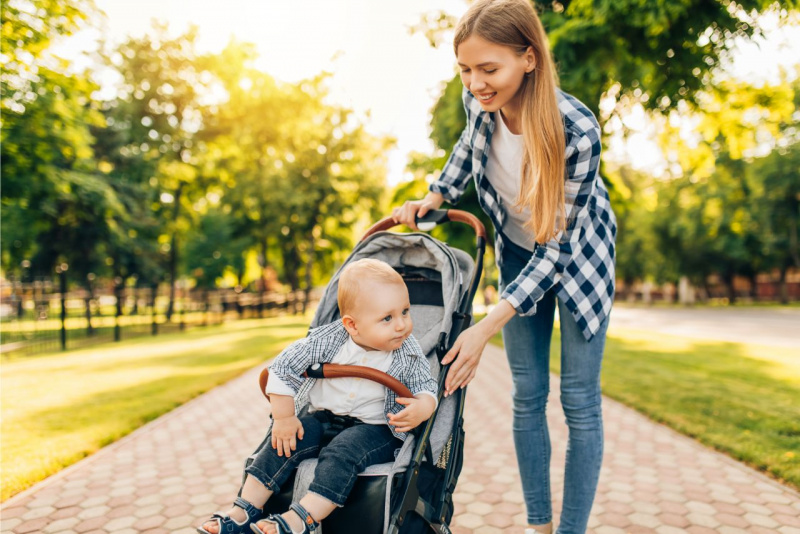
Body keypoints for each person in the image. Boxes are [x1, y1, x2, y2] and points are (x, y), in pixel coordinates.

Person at [392, 1, 616, 533]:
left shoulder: (576, 130)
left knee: (578, 400)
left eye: (489, 69)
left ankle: (571, 530)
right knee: (528, 395)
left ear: (529, 59)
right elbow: (466, 151)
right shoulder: (481, 107)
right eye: (466, 70)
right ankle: (539, 527)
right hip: (518, 251)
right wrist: (434, 195)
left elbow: (557, 249)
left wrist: (484, 326)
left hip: (579, 256)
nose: (475, 84)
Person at [196, 258, 438, 534]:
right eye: (388, 317)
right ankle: (243, 510)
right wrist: (284, 418)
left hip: (377, 428)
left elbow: (425, 385)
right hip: (324, 417)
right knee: (284, 440)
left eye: (405, 312)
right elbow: (282, 368)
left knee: (342, 451)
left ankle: (302, 518)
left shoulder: (407, 350)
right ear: (352, 325)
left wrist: (424, 406)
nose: (402, 325)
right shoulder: (328, 340)